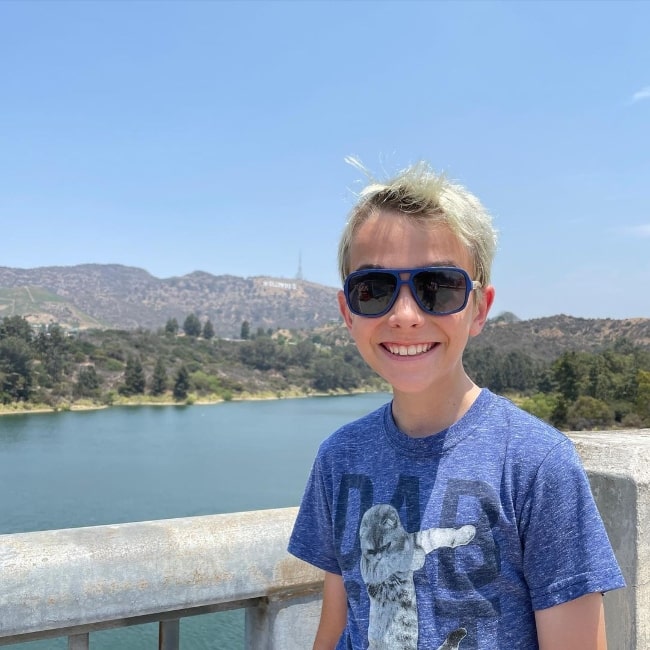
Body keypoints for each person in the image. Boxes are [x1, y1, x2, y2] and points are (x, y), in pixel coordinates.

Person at [288, 161, 625, 650]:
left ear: (479, 309)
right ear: (348, 313)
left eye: (437, 288)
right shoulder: (339, 459)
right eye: (374, 289)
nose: (405, 315)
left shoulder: (536, 464)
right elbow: (339, 624)